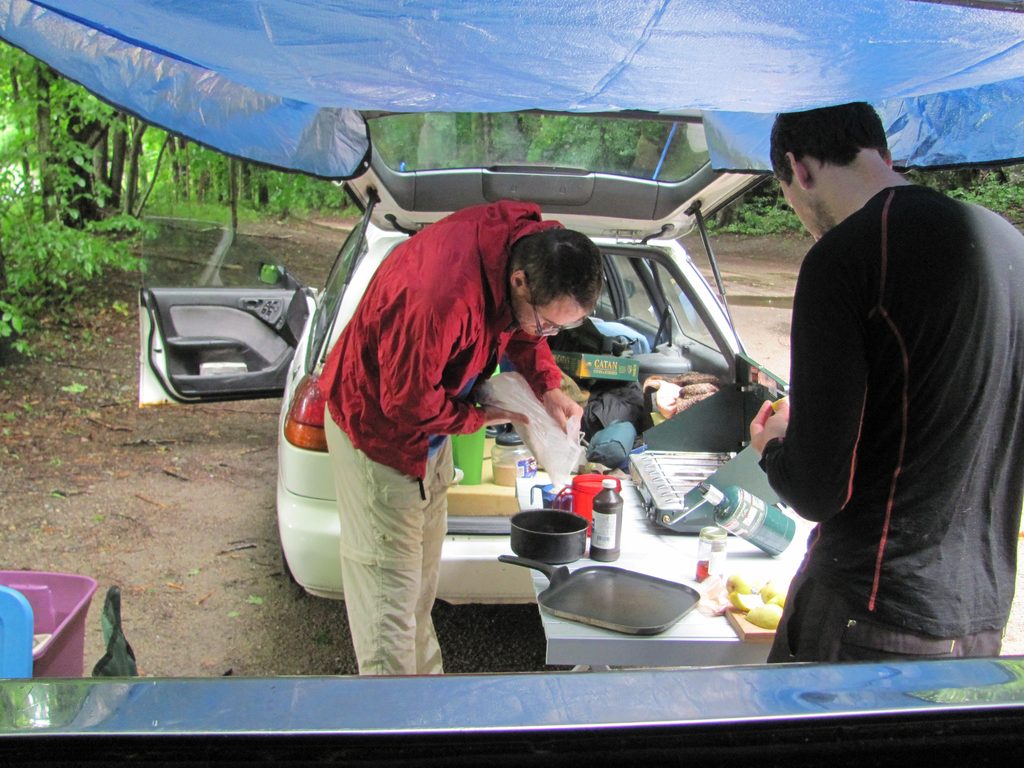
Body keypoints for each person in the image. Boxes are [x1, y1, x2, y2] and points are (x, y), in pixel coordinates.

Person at [749, 102, 1024, 663]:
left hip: (865, 615)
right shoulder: (1009, 244)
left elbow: (816, 489)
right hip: (979, 622)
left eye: (789, 197)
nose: (801, 214)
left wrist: (775, 444)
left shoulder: (846, 257)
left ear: (799, 170)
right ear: (885, 153)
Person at [318, 200, 603, 675]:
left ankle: (429, 707)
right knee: (389, 606)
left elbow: (522, 332)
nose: (548, 333)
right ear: (519, 281)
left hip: (428, 436)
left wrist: (549, 387)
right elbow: (405, 402)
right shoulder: (438, 298)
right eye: (548, 323)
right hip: (380, 435)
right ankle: (392, 728)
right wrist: (478, 415)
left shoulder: (523, 252)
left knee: (417, 592)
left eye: (562, 326)